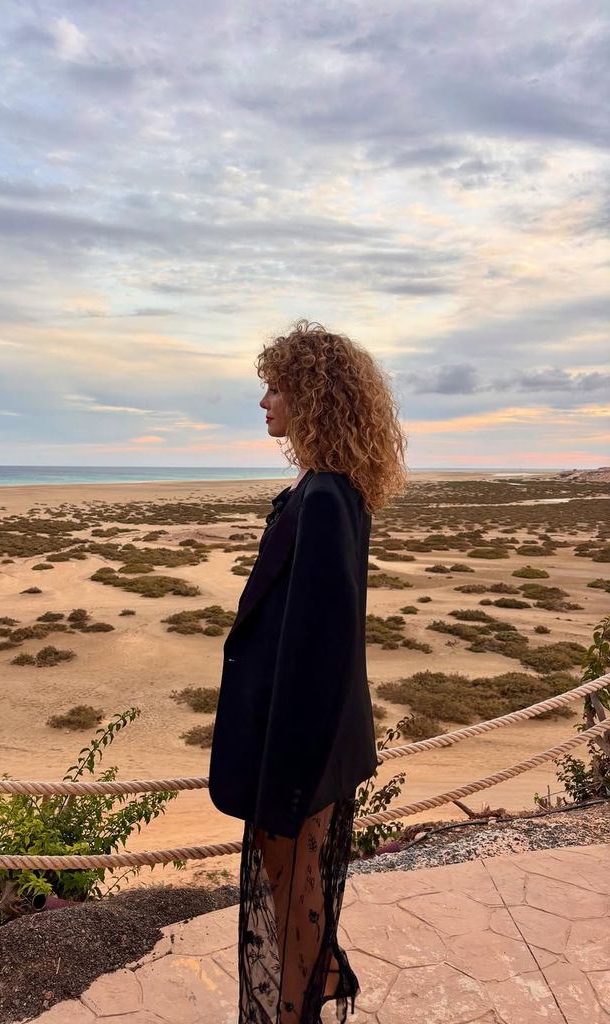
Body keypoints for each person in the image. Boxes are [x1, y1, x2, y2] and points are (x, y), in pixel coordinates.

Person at [208, 319, 408, 1023]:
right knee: (295, 879)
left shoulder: (323, 498)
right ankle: (316, 985)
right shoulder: (331, 488)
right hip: (314, 741)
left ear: (312, 398)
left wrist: (286, 775)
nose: (265, 403)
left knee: (288, 881)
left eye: (277, 389)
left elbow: (320, 646)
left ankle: (298, 1003)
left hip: (296, 743)